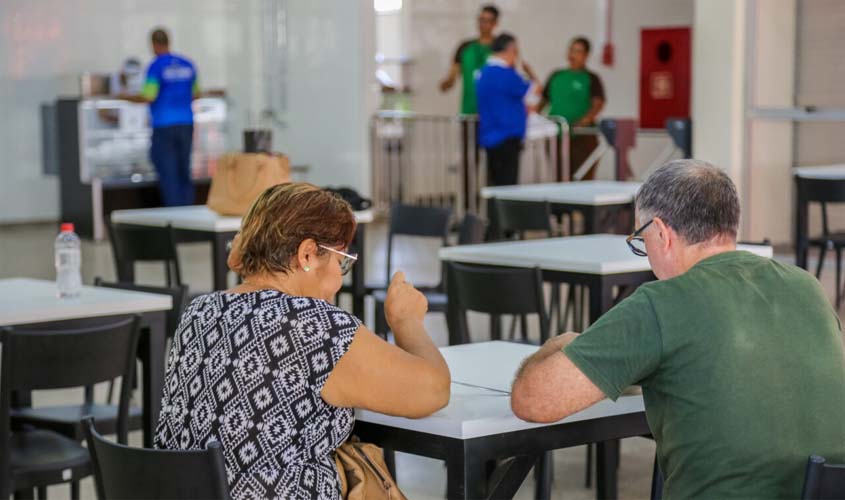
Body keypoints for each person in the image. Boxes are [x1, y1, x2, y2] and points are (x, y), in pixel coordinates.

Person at [511, 159, 845, 499]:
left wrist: (562, 343)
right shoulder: (806, 286)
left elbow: (532, 401)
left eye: (641, 240)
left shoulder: (661, 303)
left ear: (661, 233)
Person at [154, 183, 451, 500]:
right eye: (341, 262)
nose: (339, 278)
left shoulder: (199, 311)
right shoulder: (314, 326)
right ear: (307, 254)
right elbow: (433, 391)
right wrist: (406, 321)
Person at [122, 28, 199, 206]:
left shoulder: (156, 66)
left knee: (168, 173)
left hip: (164, 126)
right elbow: (196, 94)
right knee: (183, 171)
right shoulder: (187, 64)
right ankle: (188, 213)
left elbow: (149, 96)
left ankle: (174, 216)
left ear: (154, 45)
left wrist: (124, 96)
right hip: (186, 124)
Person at [476, 33, 540, 187]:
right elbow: (534, 93)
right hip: (507, 136)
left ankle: (492, 211)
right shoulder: (507, 75)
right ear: (510, 50)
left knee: (494, 183)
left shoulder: (483, 73)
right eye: (516, 52)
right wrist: (531, 73)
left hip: (489, 136)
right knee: (507, 185)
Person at [539, 37, 605, 180]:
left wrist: (585, 120)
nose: (573, 54)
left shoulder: (591, 78)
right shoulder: (556, 75)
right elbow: (543, 101)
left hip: (581, 136)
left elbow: (598, 103)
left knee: (582, 177)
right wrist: (536, 120)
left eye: (578, 51)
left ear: (586, 55)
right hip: (557, 136)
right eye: (571, 50)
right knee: (560, 176)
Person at [439, 4, 498, 115]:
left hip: (494, 113)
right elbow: (452, 76)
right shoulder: (465, 47)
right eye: (481, 20)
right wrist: (446, 83)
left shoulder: (500, 48)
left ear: (495, 23)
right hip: (469, 111)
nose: (483, 24)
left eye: (487, 21)